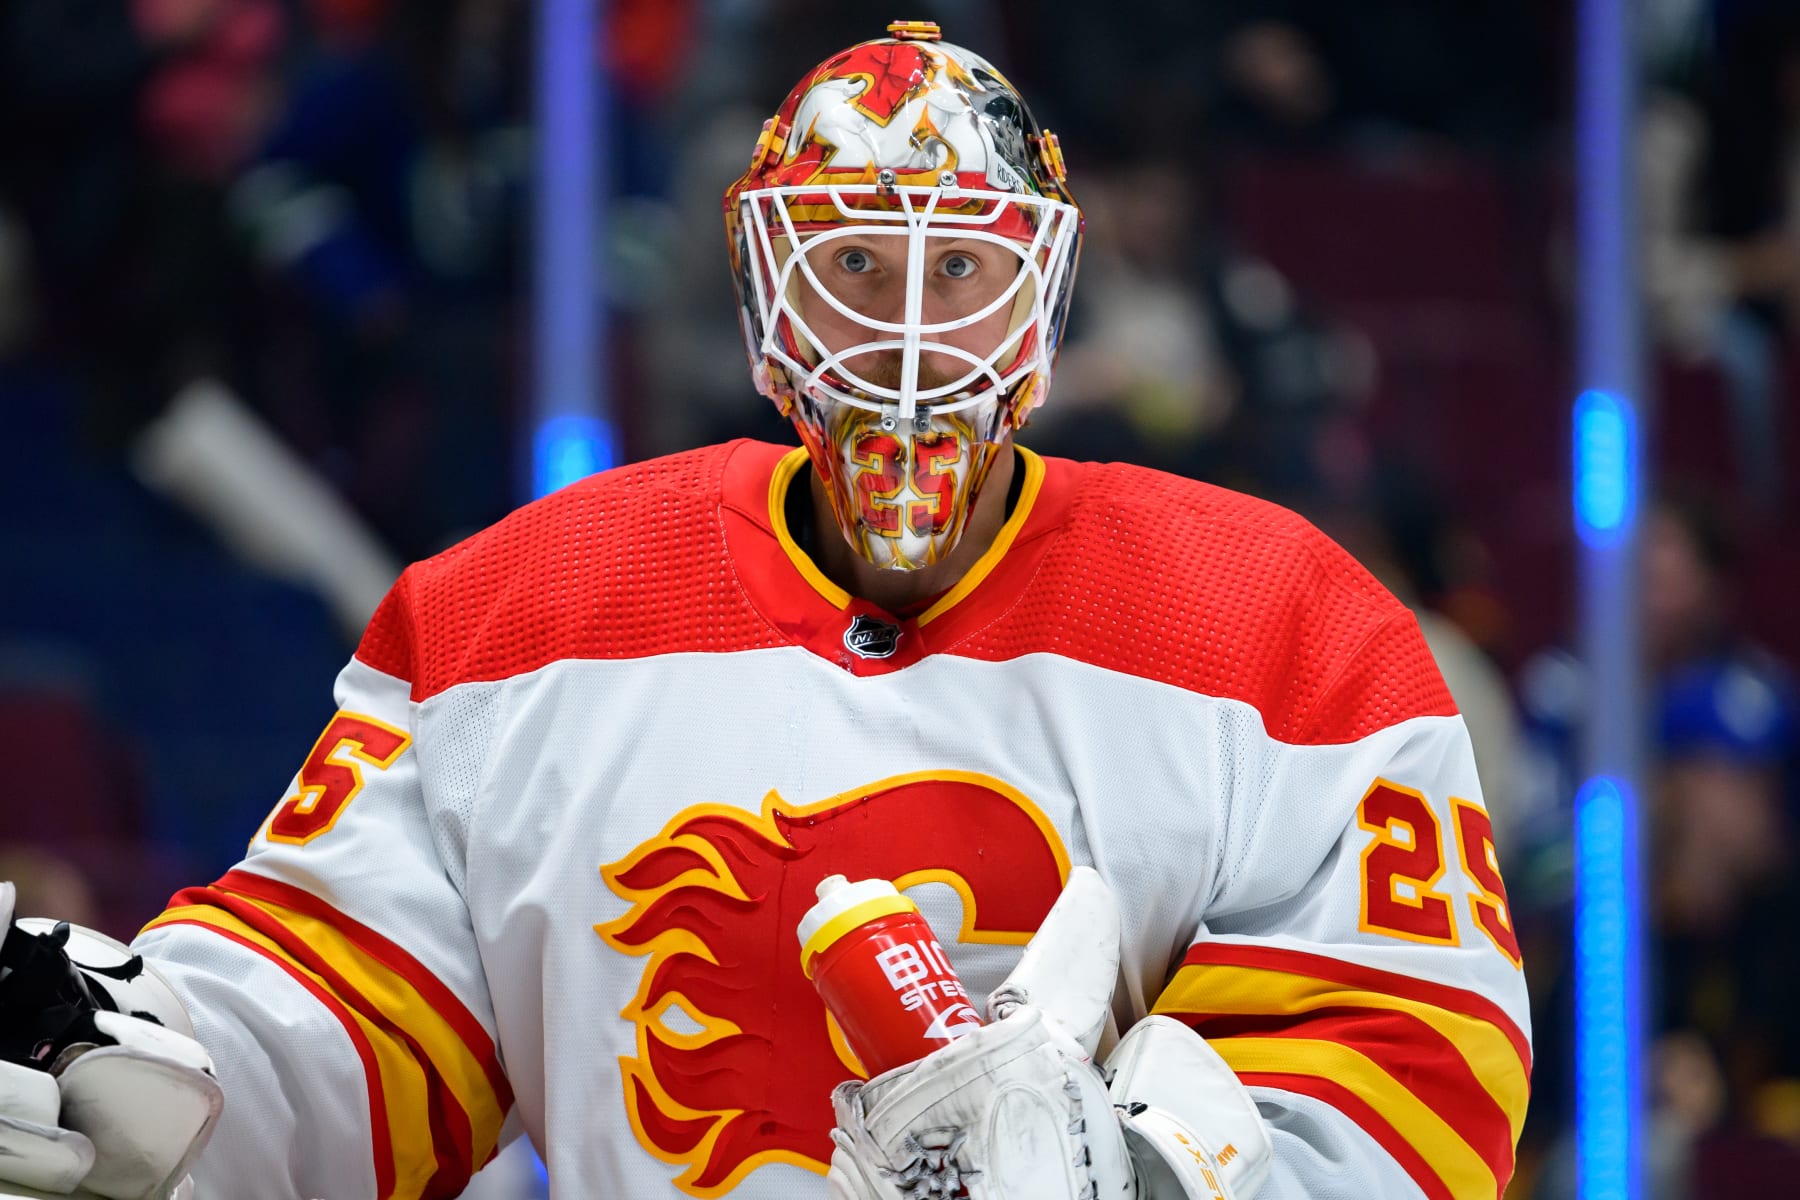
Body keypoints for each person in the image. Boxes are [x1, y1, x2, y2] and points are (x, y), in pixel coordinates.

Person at [0, 21, 1530, 1199]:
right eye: (859, 266)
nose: (911, 338)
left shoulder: (1287, 633)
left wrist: (1150, 1176)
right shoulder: (518, 619)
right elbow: (345, 1025)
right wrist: (127, 1066)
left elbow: (1411, 1074)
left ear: (1043, 302)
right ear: (767, 293)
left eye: (962, 275)